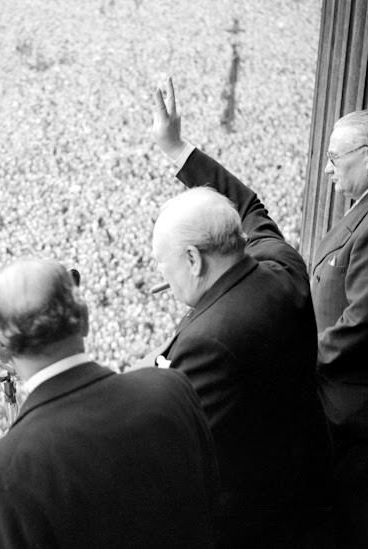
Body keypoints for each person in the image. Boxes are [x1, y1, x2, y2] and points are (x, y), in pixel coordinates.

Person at [141, 78, 332, 548]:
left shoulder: (205, 341)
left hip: (256, 520)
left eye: (164, 264)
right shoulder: (281, 263)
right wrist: (177, 148)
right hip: (315, 478)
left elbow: (177, 450)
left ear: (192, 259)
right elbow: (249, 206)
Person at [0, 258, 220, 549]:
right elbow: (213, 505)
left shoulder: (4, 472)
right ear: (85, 318)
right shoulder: (171, 388)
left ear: (0, 349)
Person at [312, 110, 368, 548]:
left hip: (356, 413)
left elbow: (361, 324)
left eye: (336, 158)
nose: (327, 168)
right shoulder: (366, 207)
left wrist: (298, 355)